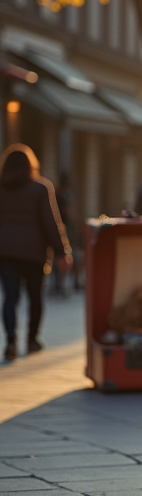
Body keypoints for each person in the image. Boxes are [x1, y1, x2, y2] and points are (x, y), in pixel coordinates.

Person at [0, 144, 72, 360]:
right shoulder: (40, 188)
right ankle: (32, 340)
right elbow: (51, 223)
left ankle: (11, 340)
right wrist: (61, 252)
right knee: (35, 297)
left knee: (10, 297)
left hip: (5, 252)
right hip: (34, 253)